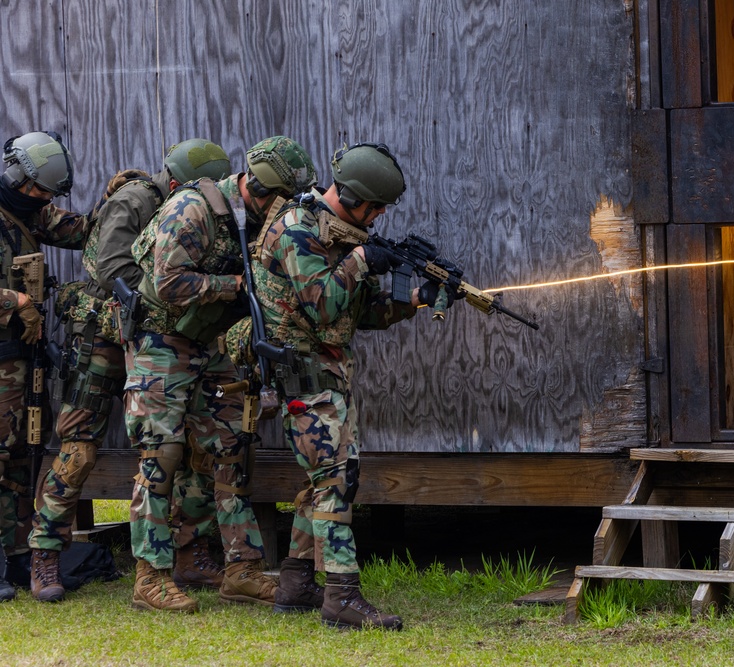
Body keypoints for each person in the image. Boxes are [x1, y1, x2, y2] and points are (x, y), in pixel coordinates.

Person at [250, 142, 456, 629]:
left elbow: (355, 314)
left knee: (325, 479)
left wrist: (415, 300)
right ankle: (342, 597)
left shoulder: (338, 234)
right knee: (337, 479)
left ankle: (296, 583)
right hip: (301, 373)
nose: (379, 216)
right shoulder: (298, 231)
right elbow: (321, 303)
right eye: (376, 207)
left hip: (327, 374)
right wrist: (362, 257)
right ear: (353, 195)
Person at [26, 139, 232, 602]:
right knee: (78, 448)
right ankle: (44, 551)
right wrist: (166, 298)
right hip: (103, 336)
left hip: (156, 340)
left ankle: (187, 554)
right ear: (178, 182)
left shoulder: (191, 212)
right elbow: (109, 267)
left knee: (181, 447)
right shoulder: (137, 199)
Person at [125, 136, 317, 612]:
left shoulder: (257, 220)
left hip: (205, 346)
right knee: (161, 455)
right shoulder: (194, 208)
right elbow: (168, 283)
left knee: (233, 446)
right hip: (160, 344)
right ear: (264, 190)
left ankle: (241, 569)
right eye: (283, 200)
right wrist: (234, 284)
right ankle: (150, 577)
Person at [0, 131, 88, 602]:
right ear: (17, 176)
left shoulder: (34, 209)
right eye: (40, 191)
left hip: (23, 359)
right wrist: (15, 299)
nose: (46, 201)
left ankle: (16, 553)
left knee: (22, 453)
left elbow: (81, 231)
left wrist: (125, 205)